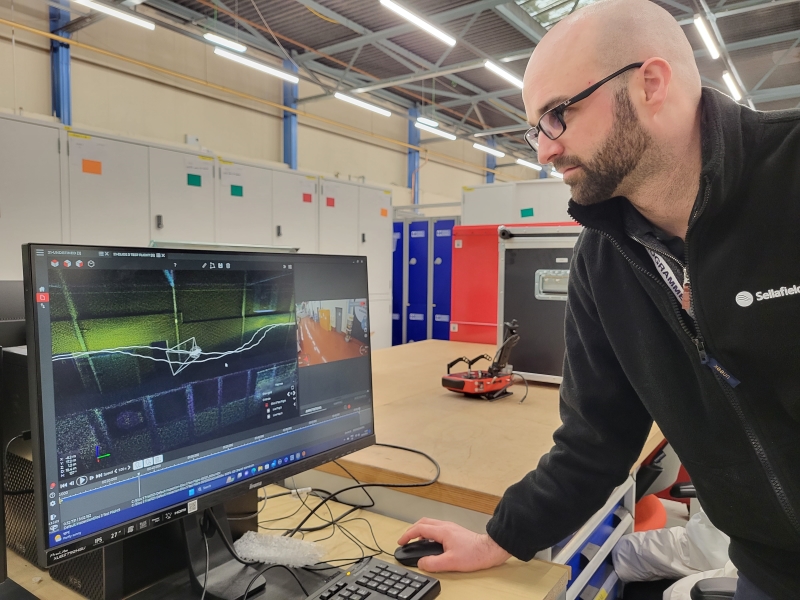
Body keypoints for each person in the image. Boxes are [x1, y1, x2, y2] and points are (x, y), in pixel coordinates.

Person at [398, 0, 800, 598]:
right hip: (771, 574)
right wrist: (498, 539)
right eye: (536, 127)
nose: (544, 150)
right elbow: (595, 442)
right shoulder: (603, 261)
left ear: (650, 85)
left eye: (558, 114)